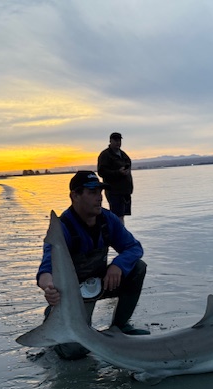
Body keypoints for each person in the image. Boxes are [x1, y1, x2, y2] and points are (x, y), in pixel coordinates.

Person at [37, 170, 149, 360]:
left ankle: (119, 327)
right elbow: (47, 268)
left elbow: (134, 247)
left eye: (100, 191)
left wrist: (118, 266)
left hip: (100, 282)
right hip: (74, 295)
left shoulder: (108, 219)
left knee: (138, 267)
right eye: (92, 192)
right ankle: (55, 319)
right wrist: (49, 287)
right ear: (75, 195)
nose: (100, 197)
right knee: (74, 351)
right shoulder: (63, 228)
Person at [97, 132, 133, 224]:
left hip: (125, 191)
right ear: (110, 141)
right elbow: (101, 172)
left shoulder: (123, 154)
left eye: (119, 140)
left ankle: (120, 231)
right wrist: (118, 172)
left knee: (122, 216)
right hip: (114, 191)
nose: (118, 142)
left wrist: (126, 171)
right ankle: (118, 232)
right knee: (117, 216)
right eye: (116, 140)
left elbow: (128, 165)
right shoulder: (105, 155)